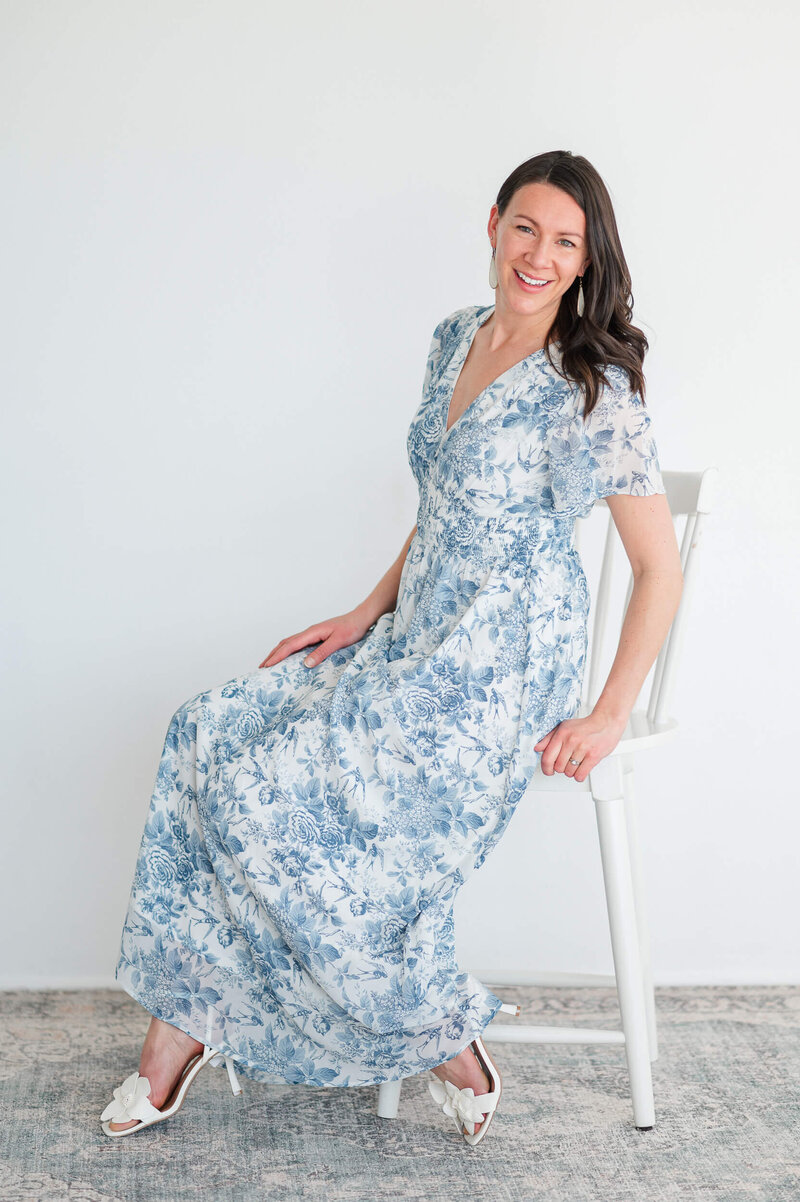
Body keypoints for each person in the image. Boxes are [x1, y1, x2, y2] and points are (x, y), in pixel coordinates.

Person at [100, 149, 683, 1146]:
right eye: (525, 230)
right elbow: (440, 504)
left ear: (586, 262)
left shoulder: (587, 387)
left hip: (494, 673)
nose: (538, 256)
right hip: (414, 634)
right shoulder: (453, 337)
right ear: (494, 222)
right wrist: (367, 608)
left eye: (564, 243)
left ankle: (433, 1032)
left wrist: (606, 708)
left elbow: (655, 568)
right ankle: (187, 1016)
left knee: (269, 789)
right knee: (206, 729)